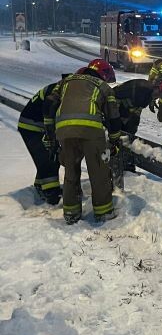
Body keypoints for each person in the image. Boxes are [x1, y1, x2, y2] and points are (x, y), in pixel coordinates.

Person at [44, 58, 121, 224]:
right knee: (98, 172)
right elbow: (113, 118)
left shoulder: (65, 82)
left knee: (71, 173)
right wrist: (114, 142)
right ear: (104, 74)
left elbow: (49, 104)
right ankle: (103, 212)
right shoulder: (103, 87)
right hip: (91, 131)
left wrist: (50, 134)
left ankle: (71, 214)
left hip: (64, 131)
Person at [17, 78, 65, 204]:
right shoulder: (60, 90)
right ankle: (51, 193)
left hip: (38, 125)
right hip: (31, 126)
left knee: (51, 157)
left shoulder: (61, 87)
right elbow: (51, 112)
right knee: (47, 159)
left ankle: (41, 186)